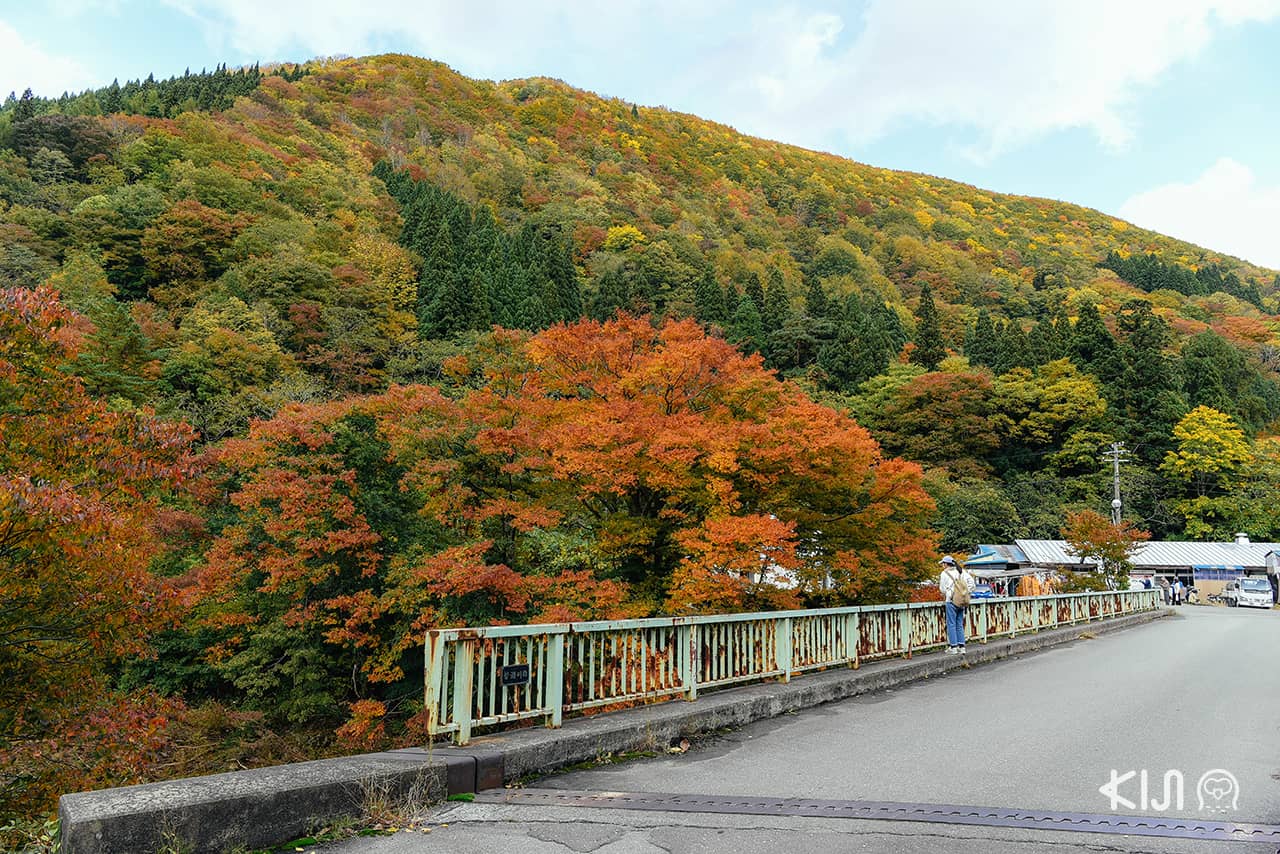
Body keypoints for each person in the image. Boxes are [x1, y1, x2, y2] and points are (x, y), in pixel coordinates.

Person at [938, 556, 975, 654]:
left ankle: (953, 647)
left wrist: (949, 593)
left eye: (943, 563)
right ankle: (962, 647)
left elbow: (942, 589)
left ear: (946, 564)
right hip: (961, 601)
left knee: (951, 624)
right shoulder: (961, 571)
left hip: (951, 601)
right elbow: (972, 584)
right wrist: (965, 592)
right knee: (959, 624)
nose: (942, 565)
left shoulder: (944, 573)